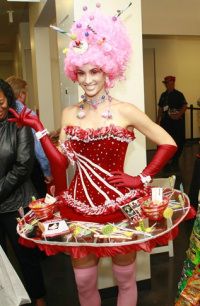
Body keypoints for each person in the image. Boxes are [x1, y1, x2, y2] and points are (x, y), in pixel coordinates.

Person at [9, 7, 178, 306]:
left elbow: (168, 142)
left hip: (120, 205)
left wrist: (140, 177)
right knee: (84, 284)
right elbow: (61, 164)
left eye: (95, 71)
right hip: (79, 208)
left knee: (125, 279)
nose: (87, 80)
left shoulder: (126, 110)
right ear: (74, 72)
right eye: (82, 72)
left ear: (108, 69)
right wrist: (38, 129)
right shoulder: (70, 113)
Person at [0, 79, 46, 306]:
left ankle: (38, 299)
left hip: (17, 203)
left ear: (8, 98)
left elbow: (23, 166)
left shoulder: (20, 125)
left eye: (1, 101)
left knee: (27, 258)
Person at [6, 75, 52, 198]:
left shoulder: (4, 112)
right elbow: (39, 148)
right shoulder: (28, 114)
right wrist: (47, 171)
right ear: (21, 94)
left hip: (9, 172)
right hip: (30, 169)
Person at [157, 75, 188, 170]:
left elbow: (185, 105)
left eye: (170, 83)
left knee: (178, 140)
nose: (168, 85)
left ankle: (175, 160)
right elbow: (161, 108)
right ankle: (166, 160)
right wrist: (157, 120)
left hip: (177, 123)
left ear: (173, 83)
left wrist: (179, 115)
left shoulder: (179, 94)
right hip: (166, 123)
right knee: (165, 141)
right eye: (167, 83)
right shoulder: (163, 95)